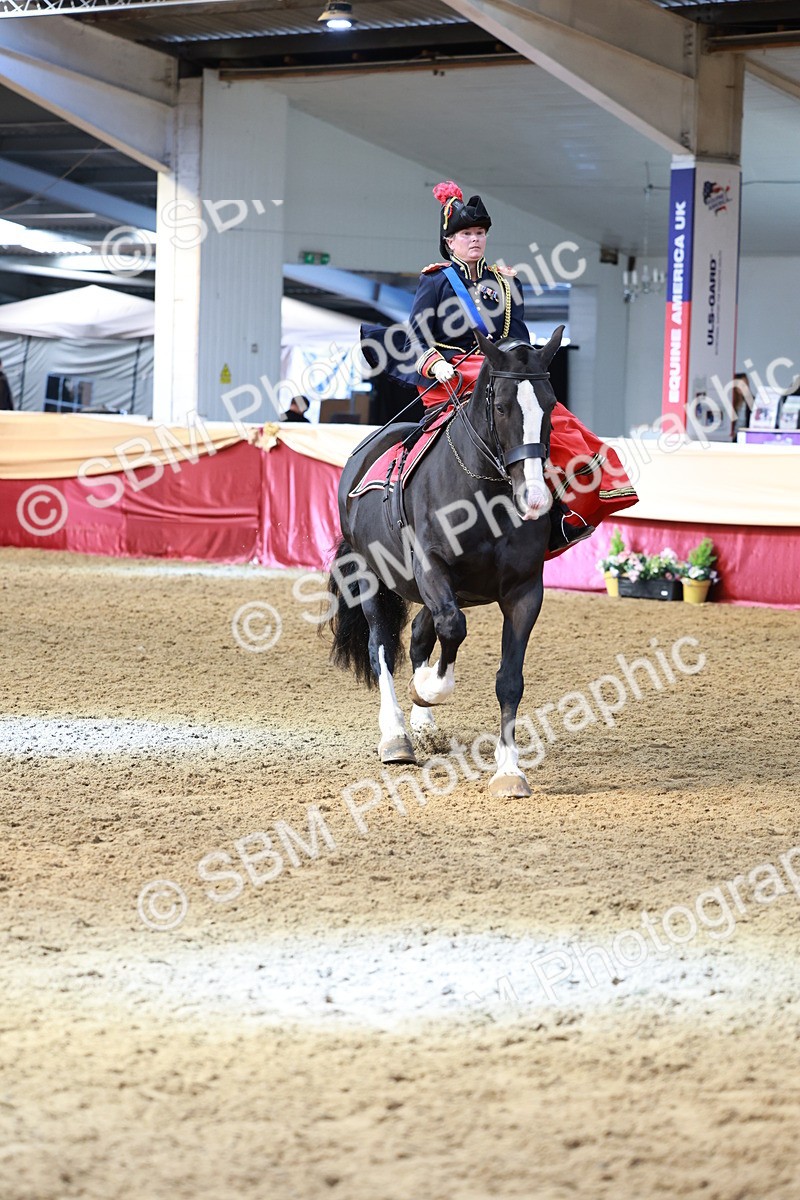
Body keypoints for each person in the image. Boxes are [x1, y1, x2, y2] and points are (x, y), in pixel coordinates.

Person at [400, 181, 638, 553]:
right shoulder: (435, 282)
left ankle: (564, 514)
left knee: (560, 430)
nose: (475, 239)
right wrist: (433, 363)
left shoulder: (506, 281)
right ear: (450, 242)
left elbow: (519, 339)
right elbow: (415, 335)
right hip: (455, 377)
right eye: (466, 234)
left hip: (503, 374)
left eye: (479, 233)